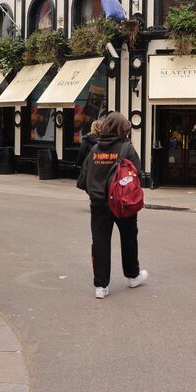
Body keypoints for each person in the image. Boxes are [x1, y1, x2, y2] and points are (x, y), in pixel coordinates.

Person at [79, 112, 148, 299]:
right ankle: (133, 276)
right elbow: (137, 174)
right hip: (122, 203)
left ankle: (101, 286)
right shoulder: (127, 149)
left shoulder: (94, 150)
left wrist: (96, 193)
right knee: (129, 238)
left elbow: (83, 179)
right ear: (123, 129)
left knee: (100, 242)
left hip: (99, 204)